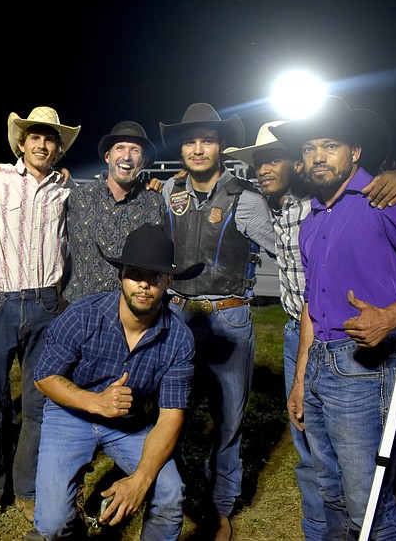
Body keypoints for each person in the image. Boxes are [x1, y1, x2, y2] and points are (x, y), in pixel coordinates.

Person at [273, 95, 396, 539]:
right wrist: (302, 378)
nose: (318, 157)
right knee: (331, 492)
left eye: (330, 145)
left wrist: (393, 315)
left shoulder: (385, 198)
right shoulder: (313, 218)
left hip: (365, 369)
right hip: (321, 364)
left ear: (355, 152)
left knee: (369, 506)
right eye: (309, 148)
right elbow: (312, 303)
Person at [224, 121, 396, 540]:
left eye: (273, 158)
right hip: (304, 334)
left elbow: (370, 189)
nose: (263, 169)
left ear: (296, 163)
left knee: (363, 481)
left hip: (354, 345)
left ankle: (349, 524)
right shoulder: (271, 206)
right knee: (311, 451)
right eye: (258, 163)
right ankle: (320, 532)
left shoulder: (317, 198)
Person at [29, 223, 204, 540]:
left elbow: (170, 417)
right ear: (120, 274)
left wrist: (140, 480)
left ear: (169, 280)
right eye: (136, 273)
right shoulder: (83, 315)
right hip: (70, 414)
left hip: (129, 422)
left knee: (170, 492)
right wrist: (95, 402)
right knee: (52, 524)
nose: (144, 285)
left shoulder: (179, 337)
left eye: (155, 276)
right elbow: (44, 377)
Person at [0, 106, 81, 530]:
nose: (42, 144)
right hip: (0, 303)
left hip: (46, 304)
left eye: (50, 139)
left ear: (57, 148)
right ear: (21, 144)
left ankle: (27, 490)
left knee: (38, 404)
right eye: (35, 137)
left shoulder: (66, 191)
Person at [158, 102, 276, 540]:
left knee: (228, 420)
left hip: (228, 318)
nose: (198, 148)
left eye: (207, 139)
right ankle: (176, 497)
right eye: (190, 141)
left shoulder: (246, 198)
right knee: (173, 412)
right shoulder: (168, 192)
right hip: (178, 316)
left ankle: (220, 507)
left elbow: (286, 248)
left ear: (222, 145)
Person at [63, 121, 168, 303]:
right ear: (107, 157)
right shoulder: (77, 197)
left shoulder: (155, 202)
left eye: (135, 150)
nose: (126, 156)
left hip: (131, 315)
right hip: (79, 311)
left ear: (143, 162)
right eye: (120, 148)